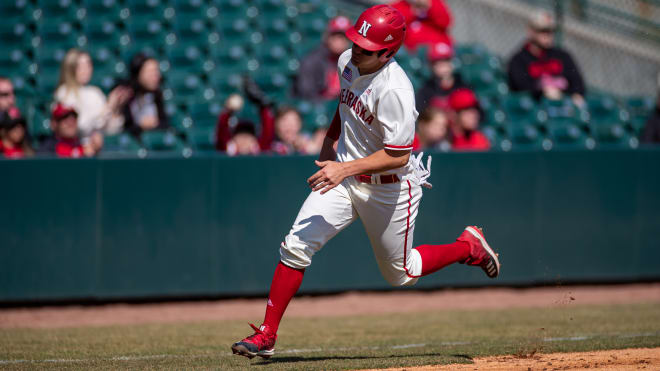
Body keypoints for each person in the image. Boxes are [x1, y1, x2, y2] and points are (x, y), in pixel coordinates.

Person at [230, 5, 500, 360]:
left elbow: (399, 155)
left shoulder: (395, 90)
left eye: (365, 47)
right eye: (356, 41)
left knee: (402, 274)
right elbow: (343, 108)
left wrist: (343, 169)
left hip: (389, 187)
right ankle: (266, 335)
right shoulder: (347, 61)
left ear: (388, 51)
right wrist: (330, 148)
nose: (356, 50)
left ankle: (469, 247)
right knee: (296, 245)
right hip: (345, 175)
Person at [507, 10, 586, 106]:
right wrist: (543, 91)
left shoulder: (563, 56)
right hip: (536, 109)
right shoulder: (518, 60)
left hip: (565, 106)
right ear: (531, 32)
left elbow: (578, 83)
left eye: (550, 31)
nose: (548, 35)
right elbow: (522, 87)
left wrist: (575, 94)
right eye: (543, 31)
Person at [54, 49, 131, 139]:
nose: (86, 70)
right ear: (70, 69)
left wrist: (116, 108)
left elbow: (111, 130)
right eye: (80, 66)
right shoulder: (64, 93)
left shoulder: (95, 92)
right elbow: (80, 127)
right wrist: (109, 107)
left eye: (88, 65)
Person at [294, 16, 352, 101]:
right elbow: (305, 93)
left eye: (344, 37)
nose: (339, 41)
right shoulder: (312, 61)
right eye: (336, 35)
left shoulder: (350, 63)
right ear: (327, 37)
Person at [118, 53, 169, 138]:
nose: (156, 76)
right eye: (150, 72)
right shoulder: (125, 95)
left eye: (156, 71)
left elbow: (165, 123)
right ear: (138, 73)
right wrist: (140, 126)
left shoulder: (157, 95)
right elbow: (121, 127)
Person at [416, 42, 467, 113]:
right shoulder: (426, 90)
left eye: (446, 60)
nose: (443, 65)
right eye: (437, 61)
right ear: (431, 65)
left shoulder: (462, 86)